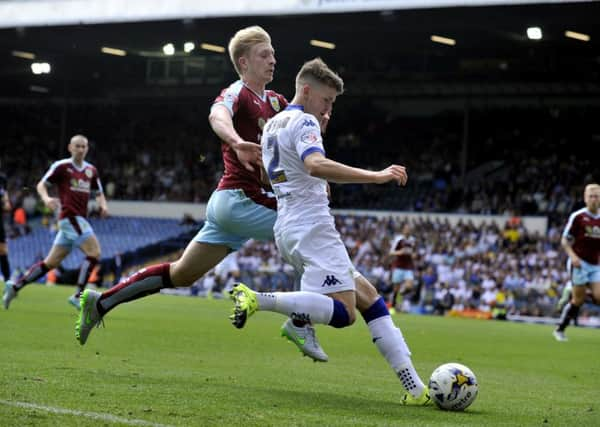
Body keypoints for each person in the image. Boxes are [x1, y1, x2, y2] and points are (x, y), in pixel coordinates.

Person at [230, 58, 431, 405]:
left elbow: (270, 176)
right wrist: (377, 176)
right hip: (313, 227)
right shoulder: (304, 119)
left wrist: (314, 167)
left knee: (370, 299)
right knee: (344, 313)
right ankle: (261, 301)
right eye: (327, 101)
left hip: (288, 227)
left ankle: (415, 389)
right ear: (306, 90)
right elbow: (315, 164)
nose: (328, 109)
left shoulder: (274, 124)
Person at [75, 25, 289, 345]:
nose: (273, 59)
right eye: (264, 54)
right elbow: (217, 115)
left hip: (231, 207)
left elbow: (300, 128)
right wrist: (236, 141)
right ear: (244, 63)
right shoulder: (237, 93)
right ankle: (301, 320)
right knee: (306, 229)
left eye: (273, 52)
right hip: (240, 199)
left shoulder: (275, 101)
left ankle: (101, 302)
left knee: (182, 274)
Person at [2, 134, 108, 310]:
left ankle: (15, 287)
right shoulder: (62, 167)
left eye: (84, 146)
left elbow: (99, 193)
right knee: (94, 252)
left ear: (87, 149)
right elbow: (41, 185)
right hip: (69, 217)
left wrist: (103, 206)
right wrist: (46, 198)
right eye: (77, 146)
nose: (81, 149)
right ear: (70, 148)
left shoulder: (91, 170)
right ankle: (78, 295)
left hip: (78, 219)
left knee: (50, 263)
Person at [553, 183, 600, 342]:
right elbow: (565, 240)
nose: (594, 199)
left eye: (597, 196)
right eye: (591, 196)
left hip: (595, 264)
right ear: (585, 199)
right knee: (578, 300)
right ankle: (560, 329)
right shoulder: (578, 217)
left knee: (599, 296)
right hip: (579, 262)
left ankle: (580, 288)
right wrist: (573, 257)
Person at [388, 224, 416, 313]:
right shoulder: (398, 239)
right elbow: (391, 252)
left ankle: (400, 296)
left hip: (409, 266)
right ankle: (393, 307)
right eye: (406, 229)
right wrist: (399, 252)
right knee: (396, 288)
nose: (408, 230)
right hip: (399, 266)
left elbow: (414, 252)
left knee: (409, 286)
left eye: (409, 229)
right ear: (403, 230)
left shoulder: (413, 240)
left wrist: (414, 255)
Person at [0, 168, 11, 283]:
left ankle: (8, 282)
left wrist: (6, 202)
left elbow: (5, 195)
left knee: (2, 250)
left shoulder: (2, 178)